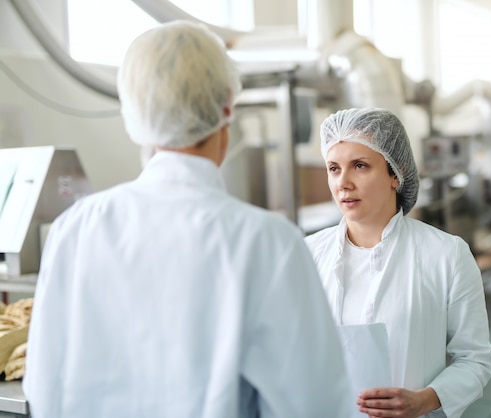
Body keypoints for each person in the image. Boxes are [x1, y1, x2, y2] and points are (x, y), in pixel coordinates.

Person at [23, 21, 352, 418]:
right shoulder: (266, 242)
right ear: (228, 105)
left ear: (135, 115)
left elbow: (43, 389)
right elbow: (315, 405)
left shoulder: (75, 229)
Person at [305, 107, 491, 418]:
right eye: (334, 168)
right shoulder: (308, 255)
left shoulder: (446, 256)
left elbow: (475, 360)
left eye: (360, 165)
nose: (343, 183)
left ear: (396, 173)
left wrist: (426, 400)